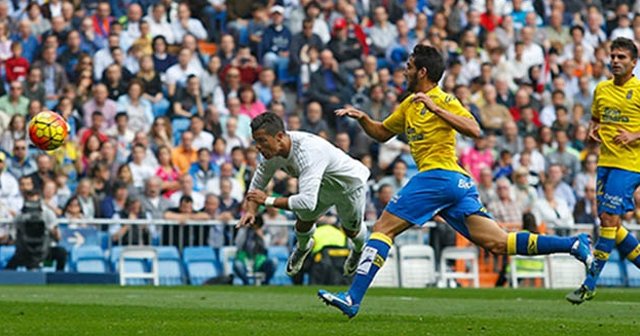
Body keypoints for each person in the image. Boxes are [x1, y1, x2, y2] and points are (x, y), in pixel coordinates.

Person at [318, 45, 593, 318]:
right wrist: (364, 119)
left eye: (410, 67)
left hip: (438, 176)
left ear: (422, 72)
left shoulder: (444, 100)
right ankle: (572, 244)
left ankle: (353, 297)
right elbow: (381, 133)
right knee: (498, 242)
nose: (405, 70)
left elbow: (474, 129)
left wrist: (436, 108)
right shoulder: (409, 105)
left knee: (382, 228)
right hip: (455, 185)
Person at [237, 112, 370, 278]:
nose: (258, 147)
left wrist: (267, 201)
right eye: (256, 141)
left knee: (351, 231)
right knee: (303, 222)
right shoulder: (271, 153)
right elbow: (258, 182)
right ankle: (303, 248)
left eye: (262, 141)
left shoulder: (308, 153)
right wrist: (250, 211)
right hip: (323, 186)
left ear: (279, 136)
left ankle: (358, 251)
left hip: (349, 186)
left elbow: (307, 202)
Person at [567, 38, 640, 304]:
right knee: (611, 224)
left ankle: (590, 282)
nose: (616, 61)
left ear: (634, 62)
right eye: (613, 56)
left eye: (622, 57)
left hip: (630, 164)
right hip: (605, 163)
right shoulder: (601, 89)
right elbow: (596, 117)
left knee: (609, 219)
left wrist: (635, 134)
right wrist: (591, 128)